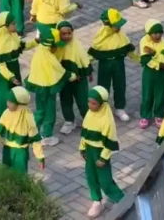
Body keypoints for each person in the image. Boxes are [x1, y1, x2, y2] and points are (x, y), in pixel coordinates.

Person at [80, 86, 125, 218]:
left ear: (102, 103)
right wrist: (82, 148)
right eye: (89, 102)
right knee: (91, 177)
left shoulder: (106, 120)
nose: (90, 105)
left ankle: (121, 200)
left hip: (100, 152)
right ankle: (97, 201)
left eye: (94, 103)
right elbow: (84, 133)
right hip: (89, 151)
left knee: (105, 180)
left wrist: (103, 158)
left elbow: (110, 142)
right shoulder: (89, 114)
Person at [88, 9, 138, 123]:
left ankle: (120, 108)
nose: (119, 27)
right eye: (117, 25)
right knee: (103, 87)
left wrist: (141, 60)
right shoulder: (100, 38)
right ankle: (102, 108)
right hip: (104, 65)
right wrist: (86, 67)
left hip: (118, 64)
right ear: (108, 25)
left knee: (120, 86)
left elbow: (130, 52)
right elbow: (91, 55)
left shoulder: (121, 36)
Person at [26, 28, 71, 145]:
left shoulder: (40, 51)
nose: (57, 48)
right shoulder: (49, 56)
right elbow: (59, 69)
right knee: (50, 111)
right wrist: (71, 75)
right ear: (50, 45)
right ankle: (46, 135)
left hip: (38, 86)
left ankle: (32, 132)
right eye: (56, 45)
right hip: (48, 86)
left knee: (40, 110)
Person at [0, 86, 46, 172]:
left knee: (20, 174)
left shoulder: (29, 118)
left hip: (21, 152)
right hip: (7, 149)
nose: (7, 104)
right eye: (7, 101)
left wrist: (40, 157)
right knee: (5, 171)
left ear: (19, 104)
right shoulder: (6, 113)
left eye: (10, 102)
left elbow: (35, 140)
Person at [0, 12, 30, 122]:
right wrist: (11, 77)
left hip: (14, 66)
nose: (15, 25)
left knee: (15, 91)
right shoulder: (1, 44)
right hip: (5, 73)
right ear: (5, 26)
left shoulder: (13, 36)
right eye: (13, 23)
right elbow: (1, 66)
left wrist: (36, 42)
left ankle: (13, 113)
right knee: (3, 93)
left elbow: (23, 46)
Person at [56, 20, 92, 134]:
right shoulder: (57, 47)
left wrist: (88, 72)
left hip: (79, 79)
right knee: (65, 100)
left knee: (83, 101)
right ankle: (69, 121)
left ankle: (88, 121)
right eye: (63, 34)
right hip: (64, 79)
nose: (67, 36)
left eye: (69, 33)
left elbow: (84, 60)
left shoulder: (77, 46)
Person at [138, 20, 164, 129]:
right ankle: (145, 115)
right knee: (147, 94)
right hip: (149, 72)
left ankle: (159, 115)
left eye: (160, 33)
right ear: (149, 33)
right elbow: (146, 60)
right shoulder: (144, 41)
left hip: (162, 74)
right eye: (155, 33)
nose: (158, 35)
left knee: (160, 94)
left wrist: (153, 53)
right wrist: (160, 64)